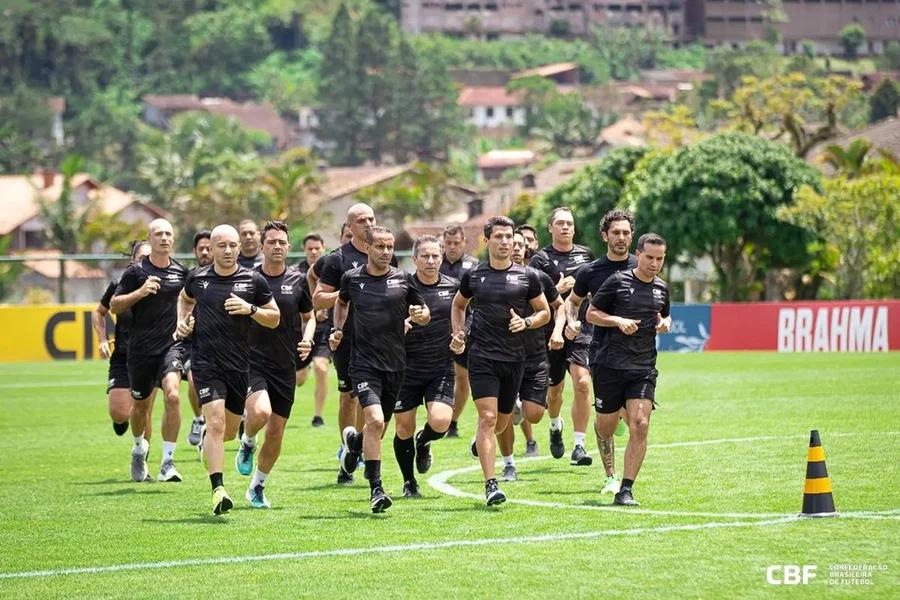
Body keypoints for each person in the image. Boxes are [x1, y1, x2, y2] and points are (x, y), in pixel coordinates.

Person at [176, 224, 279, 515]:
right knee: (216, 423)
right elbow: (185, 298)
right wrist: (182, 321)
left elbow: (274, 318)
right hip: (206, 363)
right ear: (211, 248)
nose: (229, 250)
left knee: (229, 432)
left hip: (239, 366)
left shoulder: (253, 280)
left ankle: (209, 443)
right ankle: (218, 491)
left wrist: (251, 310)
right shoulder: (197, 278)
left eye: (233, 245)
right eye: (222, 245)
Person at [450, 216, 550, 506]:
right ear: (487, 240)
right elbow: (458, 305)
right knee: (488, 418)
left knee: (502, 422)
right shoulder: (474, 276)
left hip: (515, 359)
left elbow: (544, 312)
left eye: (509, 236)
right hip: (482, 357)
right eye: (499, 237)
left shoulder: (527, 276)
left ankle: (480, 441)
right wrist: (458, 333)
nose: (505, 242)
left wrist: (527, 322)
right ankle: (491, 485)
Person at [332, 226, 430, 513]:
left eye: (390, 247)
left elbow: (424, 313)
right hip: (363, 364)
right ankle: (376, 489)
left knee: (379, 427)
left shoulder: (404, 279)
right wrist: (338, 329)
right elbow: (341, 302)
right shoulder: (352, 279)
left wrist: (420, 315)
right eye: (380, 247)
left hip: (396, 365)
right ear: (368, 248)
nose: (386, 252)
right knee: (374, 421)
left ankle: (355, 442)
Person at [308, 204, 397, 485]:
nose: (368, 223)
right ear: (349, 227)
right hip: (348, 338)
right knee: (349, 396)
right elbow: (317, 297)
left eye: (372, 218)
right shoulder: (336, 259)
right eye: (361, 220)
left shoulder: (385, 254)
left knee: (373, 401)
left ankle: (359, 448)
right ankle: (347, 453)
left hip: (380, 340)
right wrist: (348, 294)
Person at [586, 233, 671, 507]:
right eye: (650, 258)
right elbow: (591, 313)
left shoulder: (662, 288)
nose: (654, 264)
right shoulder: (618, 281)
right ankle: (611, 418)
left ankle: (626, 489)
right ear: (638, 254)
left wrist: (666, 323)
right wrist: (617, 320)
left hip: (643, 367)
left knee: (641, 424)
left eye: (660, 259)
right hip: (609, 365)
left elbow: (665, 314)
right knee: (606, 428)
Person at [235, 221, 316, 508]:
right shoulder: (248, 279)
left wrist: (308, 339)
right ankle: (247, 441)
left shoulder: (298, 280)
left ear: (288, 247)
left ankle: (257, 486)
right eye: (272, 242)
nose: (277, 246)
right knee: (260, 413)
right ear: (262, 246)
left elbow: (309, 317)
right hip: (251, 361)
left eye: (282, 242)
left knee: (276, 431)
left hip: (286, 364)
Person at [564, 209, 638, 495]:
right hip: (603, 352)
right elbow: (573, 302)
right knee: (606, 419)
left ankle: (617, 416)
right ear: (605, 236)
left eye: (626, 232)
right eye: (615, 232)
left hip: (637, 354)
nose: (621, 237)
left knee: (635, 419)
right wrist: (571, 322)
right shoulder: (590, 272)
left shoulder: (642, 265)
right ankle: (611, 477)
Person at [111, 219, 187, 483]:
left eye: (168, 233)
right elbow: (115, 305)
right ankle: (138, 448)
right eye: (159, 234)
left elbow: (190, 302)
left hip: (171, 346)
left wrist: (187, 322)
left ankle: (168, 462)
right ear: (149, 239)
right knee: (141, 408)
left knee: (173, 395)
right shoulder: (136, 272)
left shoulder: (181, 271)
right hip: (141, 350)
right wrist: (140, 292)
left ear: (173, 239)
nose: (164, 238)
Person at [527, 207, 595, 466]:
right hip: (551, 332)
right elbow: (531, 298)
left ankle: (579, 445)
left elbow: (594, 288)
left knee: (583, 383)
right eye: (560, 223)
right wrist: (557, 288)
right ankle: (555, 426)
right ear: (550, 228)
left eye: (569, 223)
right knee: (554, 391)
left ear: (574, 229)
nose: (565, 227)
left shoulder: (586, 255)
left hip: (579, 329)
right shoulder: (540, 259)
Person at [496, 231, 565, 480]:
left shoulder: (538, 277)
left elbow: (560, 307)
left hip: (535, 354)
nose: (515, 247)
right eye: (512, 243)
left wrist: (557, 331)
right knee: (502, 413)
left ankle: (515, 408)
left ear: (527, 249)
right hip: (502, 354)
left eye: (520, 244)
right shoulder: (489, 279)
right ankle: (508, 464)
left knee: (534, 414)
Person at [393, 235, 458, 498]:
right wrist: (400, 324)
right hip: (405, 369)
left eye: (435, 256)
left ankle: (424, 440)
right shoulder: (401, 288)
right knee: (403, 428)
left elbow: (467, 315)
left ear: (441, 258)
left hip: (440, 367)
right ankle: (409, 482)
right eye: (425, 256)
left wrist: (462, 336)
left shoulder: (454, 287)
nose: (431, 261)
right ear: (414, 259)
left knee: (441, 422)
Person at [92, 241, 156, 446]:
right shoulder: (119, 285)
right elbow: (99, 312)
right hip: (123, 355)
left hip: (150, 356)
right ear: (132, 260)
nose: (145, 263)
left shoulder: (162, 285)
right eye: (141, 259)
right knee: (119, 413)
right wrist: (102, 340)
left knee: (145, 409)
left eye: (149, 259)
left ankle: (141, 456)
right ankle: (124, 420)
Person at [439, 225, 478, 439]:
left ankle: (453, 422)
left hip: (464, 331)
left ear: (464, 242)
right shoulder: (435, 263)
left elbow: (477, 304)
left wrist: (464, 330)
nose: (452, 247)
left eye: (456, 243)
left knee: (462, 377)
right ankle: (436, 418)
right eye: (448, 243)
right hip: (436, 330)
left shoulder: (473, 266)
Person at [295, 233, 332, 427]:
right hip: (302, 329)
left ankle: (318, 417)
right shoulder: (296, 273)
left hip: (324, 330)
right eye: (310, 249)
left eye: (317, 248)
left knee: (321, 367)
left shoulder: (331, 270)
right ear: (304, 250)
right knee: (299, 379)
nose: (314, 252)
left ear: (323, 248)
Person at [185, 230, 213, 447]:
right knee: (194, 378)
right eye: (201, 248)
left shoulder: (233, 276)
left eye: (208, 248)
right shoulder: (191, 278)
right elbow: (182, 302)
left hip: (225, 344)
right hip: (193, 344)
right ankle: (198, 419)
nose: (205, 252)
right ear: (194, 251)